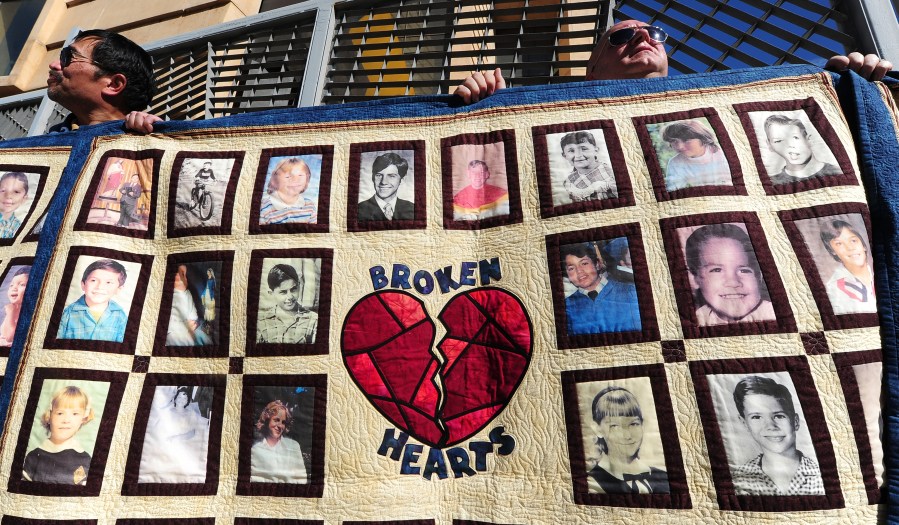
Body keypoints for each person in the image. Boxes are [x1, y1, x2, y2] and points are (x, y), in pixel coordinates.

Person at [453, 21, 892, 104]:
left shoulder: (720, 108)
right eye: (621, 36)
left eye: (654, 34)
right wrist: (486, 115)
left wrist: (857, 93)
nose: (643, 37)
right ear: (591, 69)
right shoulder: (540, 112)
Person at [46, 29, 156, 133]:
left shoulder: (149, 143)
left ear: (113, 84)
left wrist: (157, 136)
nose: (54, 65)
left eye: (69, 56)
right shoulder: (43, 145)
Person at [731, 375, 824, 495]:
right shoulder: (738, 479)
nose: (770, 426)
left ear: (795, 422)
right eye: (756, 417)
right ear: (745, 423)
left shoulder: (820, 472)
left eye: (779, 416)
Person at [685, 224, 775, 326]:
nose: (733, 282)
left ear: (759, 277)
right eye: (717, 270)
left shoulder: (773, 313)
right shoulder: (695, 320)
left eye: (744, 270)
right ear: (694, 279)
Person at [587, 386, 668, 494]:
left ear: (642, 425)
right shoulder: (592, 483)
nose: (627, 435)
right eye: (614, 426)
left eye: (634, 424)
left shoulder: (663, 476)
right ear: (598, 429)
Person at [562, 241, 640, 335]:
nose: (579, 271)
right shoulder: (567, 306)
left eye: (584, 263)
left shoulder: (631, 291)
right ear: (568, 276)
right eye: (571, 268)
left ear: (598, 264)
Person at [22, 385, 95, 485]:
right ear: (49, 416)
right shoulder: (33, 457)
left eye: (75, 414)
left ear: (83, 418)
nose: (66, 420)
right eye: (60, 413)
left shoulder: (85, 460)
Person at [139, 386, 207, 483]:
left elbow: (193, 432)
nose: (181, 400)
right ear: (175, 398)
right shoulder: (166, 412)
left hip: (183, 444)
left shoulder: (190, 413)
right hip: (165, 445)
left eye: (185, 398)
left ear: (187, 401)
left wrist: (177, 438)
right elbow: (158, 431)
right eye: (179, 397)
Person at [57, 259, 128, 342]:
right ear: (83, 284)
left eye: (108, 282)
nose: (100, 287)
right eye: (93, 280)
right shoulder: (67, 313)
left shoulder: (120, 316)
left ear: (118, 289)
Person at [763, 114, 842, 184]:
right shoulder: (772, 183)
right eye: (778, 141)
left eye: (795, 138)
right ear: (770, 145)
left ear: (809, 140)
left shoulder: (837, 172)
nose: (789, 145)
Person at [819, 219, 876, 314]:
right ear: (832, 251)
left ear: (863, 245)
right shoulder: (833, 291)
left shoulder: (884, 272)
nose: (850, 248)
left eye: (853, 241)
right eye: (839, 244)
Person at [660, 120, 731, 191]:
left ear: (703, 138)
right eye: (674, 141)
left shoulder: (723, 155)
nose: (679, 146)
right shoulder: (675, 163)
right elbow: (673, 189)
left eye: (686, 141)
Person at [257, 263, 318, 344]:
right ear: (271, 293)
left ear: (299, 286)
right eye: (283, 292)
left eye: (293, 289)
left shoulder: (313, 320)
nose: (290, 296)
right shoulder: (262, 321)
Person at [250, 400, 308, 483]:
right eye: (276, 420)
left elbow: (301, 479)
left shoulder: (294, 446)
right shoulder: (255, 450)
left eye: (283, 422)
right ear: (267, 420)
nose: (280, 426)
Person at [558, 131, 617, 202]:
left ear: (596, 150)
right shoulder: (569, 182)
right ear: (565, 156)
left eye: (584, 149)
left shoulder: (610, 173)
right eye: (571, 151)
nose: (578, 155)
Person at [259, 157, 317, 225]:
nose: (296, 180)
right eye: (288, 176)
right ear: (275, 180)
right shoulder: (264, 207)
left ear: (307, 180)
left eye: (300, 175)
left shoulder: (309, 205)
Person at [358, 152, 414, 221]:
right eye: (379, 175)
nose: (383, 182)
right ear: (373, 178)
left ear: (402, 180)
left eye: (391, 176)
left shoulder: (412, 209)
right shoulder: (358, 210)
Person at [166, 265, 209, 346]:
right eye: (174, 274)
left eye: (182, 274)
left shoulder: (186, 293)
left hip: (189, 332)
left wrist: (189, 326)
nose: (178, 275)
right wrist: (184, 327)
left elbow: (193, 318)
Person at [0, 266, 30, 345]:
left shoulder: (27, 312)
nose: (14, 288)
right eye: (11, 285)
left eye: (22, 285)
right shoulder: (12, 308)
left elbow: (10, 337)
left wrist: (11, 313)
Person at [0, 172, 29, 239]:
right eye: (3, 190)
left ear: (24, 199)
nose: (8, 196)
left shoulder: (18, 227)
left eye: (16, 192)